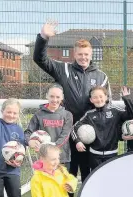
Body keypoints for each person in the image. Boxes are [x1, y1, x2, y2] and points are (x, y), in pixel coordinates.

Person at [34, 21, 111, 183]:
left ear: (91, 55)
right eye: (80, 54)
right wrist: (43, 38)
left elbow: (107, 104)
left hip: (91, 133)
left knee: (90, 175)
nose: (83, 57)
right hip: (66, 132)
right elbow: (40, 59)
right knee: (67, 174)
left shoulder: (101, 76)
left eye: (86, 54)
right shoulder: (64, 69)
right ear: (74, 55)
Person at [72, 86, 130, 171]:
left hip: (112, 154)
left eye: (101, 96)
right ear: (91, 100)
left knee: (111, 179)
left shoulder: (115, 111)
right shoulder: (89, 115)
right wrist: (78, 142)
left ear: (106, 97)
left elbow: (131, 115)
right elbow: (74, 128)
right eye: (95, 97)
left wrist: (126, 98)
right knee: (96, 180)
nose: (98, 99)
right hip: (94, 155)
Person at [24, 83, 73, 172]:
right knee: (45, 185)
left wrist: (52, 147)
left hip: (62, 159)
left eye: (58, 97)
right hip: (44, 159)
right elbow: (28, 132)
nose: (54, 100)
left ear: (62, 97)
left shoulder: (67, 115)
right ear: (47, 96)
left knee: (61, 185)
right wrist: (30, 141)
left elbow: (65, 136)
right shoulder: (39, 114)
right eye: (52, 96)